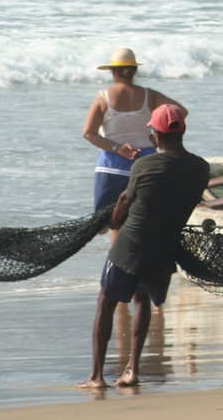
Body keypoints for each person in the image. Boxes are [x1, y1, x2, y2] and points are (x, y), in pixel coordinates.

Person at [80, 104, 210, 391]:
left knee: (106, 302)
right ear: (183, 130)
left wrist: (113, 221)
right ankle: (132, 370)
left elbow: (125, 203)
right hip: (165, 248)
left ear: (154, 135)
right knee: (143, 300)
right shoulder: (201, 167)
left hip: (132, 245)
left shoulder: (145, 165)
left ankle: (97, 376)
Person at [81, 48, 187, 238]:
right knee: (142, 221)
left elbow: (88, 133)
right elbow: (180, 112)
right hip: (146, 164)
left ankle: (115, 265)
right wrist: (155, 137)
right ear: (134, 71)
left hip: (111, 167)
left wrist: (117, 148)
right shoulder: (150, 95)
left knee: (113, 223)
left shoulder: (103, 98)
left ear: (113, 71)